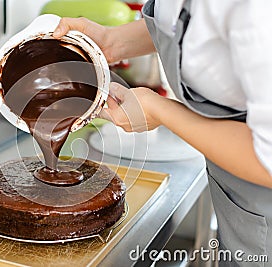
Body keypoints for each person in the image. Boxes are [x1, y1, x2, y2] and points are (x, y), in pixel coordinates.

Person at [54, 0, 271, 266]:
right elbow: (188, 25)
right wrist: (112, 42)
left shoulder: (256, 9)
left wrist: (160, 111)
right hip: (238, 199)